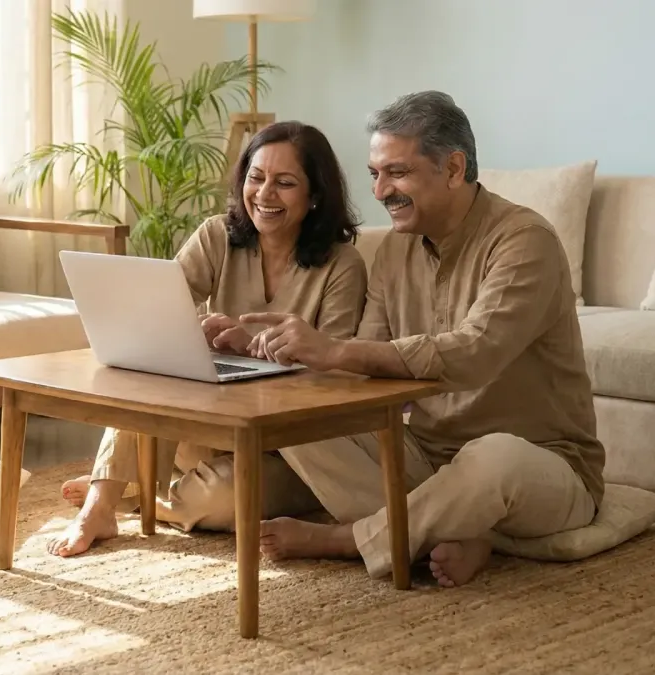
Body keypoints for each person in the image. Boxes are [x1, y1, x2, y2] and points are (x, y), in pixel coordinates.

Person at [240, 91, 605, 588]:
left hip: (538, 464)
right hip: (426, 458)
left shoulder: (524, 241)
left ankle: (350, 540)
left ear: (453, 168)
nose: (379, 191)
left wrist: (336, 349)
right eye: (374, 174)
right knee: (293, 408)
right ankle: (449, 531)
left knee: (494, 456)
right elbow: (362, 371)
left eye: (397, 173)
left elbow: (475, 353)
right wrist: (269, 349)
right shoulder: (393, 249)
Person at [47, 120, 370, 557]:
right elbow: (157, 316)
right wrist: (187, 334)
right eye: (255, 178)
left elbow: (331, 376)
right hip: (201, 430)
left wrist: (248, 345)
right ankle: (99, 508)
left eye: (285, 183)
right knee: (147, 373)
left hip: (284, 450)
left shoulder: (343, 265)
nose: (264, 194)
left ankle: (141, 494)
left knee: (220, 503)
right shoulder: (217, 236)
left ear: (315, 195)